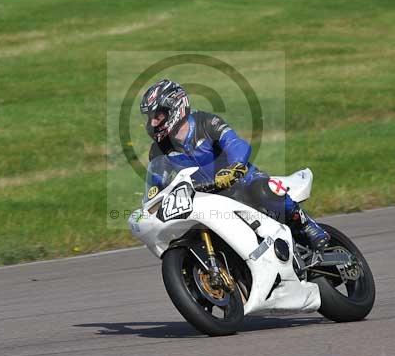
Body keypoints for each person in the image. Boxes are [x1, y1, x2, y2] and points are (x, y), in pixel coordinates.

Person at [140, 79, 330, 251]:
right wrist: (150, 204)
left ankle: (307, 225)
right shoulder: (158, 151)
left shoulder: (206, 122)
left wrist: (234, 168)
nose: (153, 122)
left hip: (240, 182)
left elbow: (234, 143)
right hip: (204, 197)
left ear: (176, 108)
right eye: (150, 118)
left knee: (264, 189)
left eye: (158, 116)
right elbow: (157, 182)